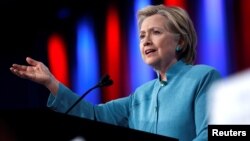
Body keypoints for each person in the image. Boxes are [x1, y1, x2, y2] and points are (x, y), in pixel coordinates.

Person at [9, 4, 221, 141]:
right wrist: (51, 82)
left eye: (156, 32)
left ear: (180, 41)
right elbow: (94, 116)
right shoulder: (140, 95)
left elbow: (211, 135)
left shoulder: (203, 78)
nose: (146, 40)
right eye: (141, 36)